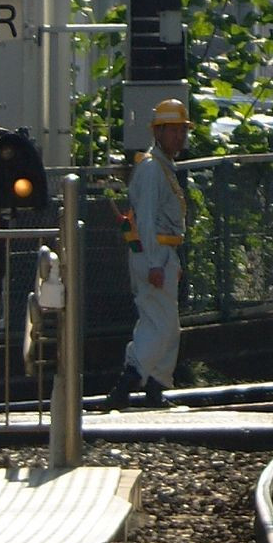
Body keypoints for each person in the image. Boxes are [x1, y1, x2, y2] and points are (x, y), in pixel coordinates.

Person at [116, 96, 188, 404]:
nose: (179, 136)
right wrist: (156, 263)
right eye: (173, 130)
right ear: (158, 133)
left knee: (167, 324)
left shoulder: (161, 167)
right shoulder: (151, 169)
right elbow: (145, 218)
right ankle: (131, 377)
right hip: (154, 252)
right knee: (160, 323)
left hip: (162, 251)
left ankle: (156, 384)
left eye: (182, 130)